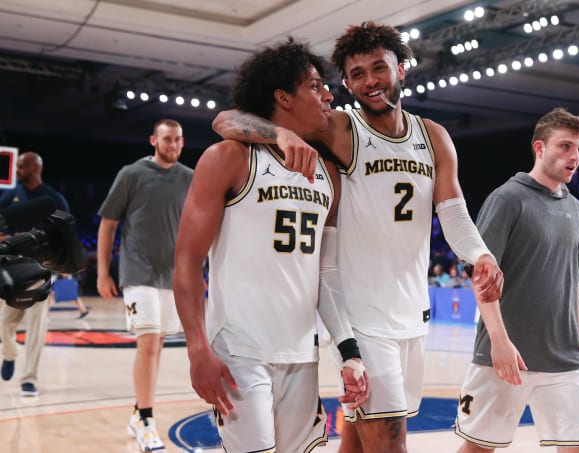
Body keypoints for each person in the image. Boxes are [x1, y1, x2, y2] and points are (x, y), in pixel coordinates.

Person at [212, 21, 503, 453]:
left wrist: (480, 254)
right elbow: (226, 120)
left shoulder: (433, 137)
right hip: (360, 317)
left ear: (401, 69)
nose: (369, 81)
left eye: (377, 68)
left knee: (360, 438)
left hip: (411, 313)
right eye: (357, 74)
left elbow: (453, 212)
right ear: (347, 84)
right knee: (389, 441)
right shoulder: (341, 129)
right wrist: (282, 133)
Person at [173, 38, 368, 452]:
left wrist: (348, 352)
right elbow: (187, 262)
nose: (328, 94)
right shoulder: (230, 158)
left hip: (301, 353)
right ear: (282, 97)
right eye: (315, 86)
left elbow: (326, 273)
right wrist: (197, 349)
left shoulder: (328, 174)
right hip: (239, 352)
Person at [454, 108, 579, 452]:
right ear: (539, 148)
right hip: (505, 355)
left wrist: (576, 333)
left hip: (563, 358)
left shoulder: (575, 208)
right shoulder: (507, 199)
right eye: (565, 146)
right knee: (478, 448)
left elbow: (568, 279)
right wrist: (499, 342)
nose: (574, 156)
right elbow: (481, 277)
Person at [96, 119, 193, 452]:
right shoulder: (131, 174)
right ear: (154, 140)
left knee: (157, 346)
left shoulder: (189, 178)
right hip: (138, 272)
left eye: (179, 140)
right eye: (168, 139)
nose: (174, 145)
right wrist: (102, 272)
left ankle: (139, 411)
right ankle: (148, 421)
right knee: (149, 344)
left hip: (174, 276)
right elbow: (108, 224)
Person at [0, 151, 70, 397]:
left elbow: (65, 235)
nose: (16, 170)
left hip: (40, 271)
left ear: (35, 168)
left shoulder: (54, 199)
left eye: (21, 166)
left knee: (36, 327)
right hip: (11, 271)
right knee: (4, 323)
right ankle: (9, 353)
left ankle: (28, 378)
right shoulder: (9, 196)